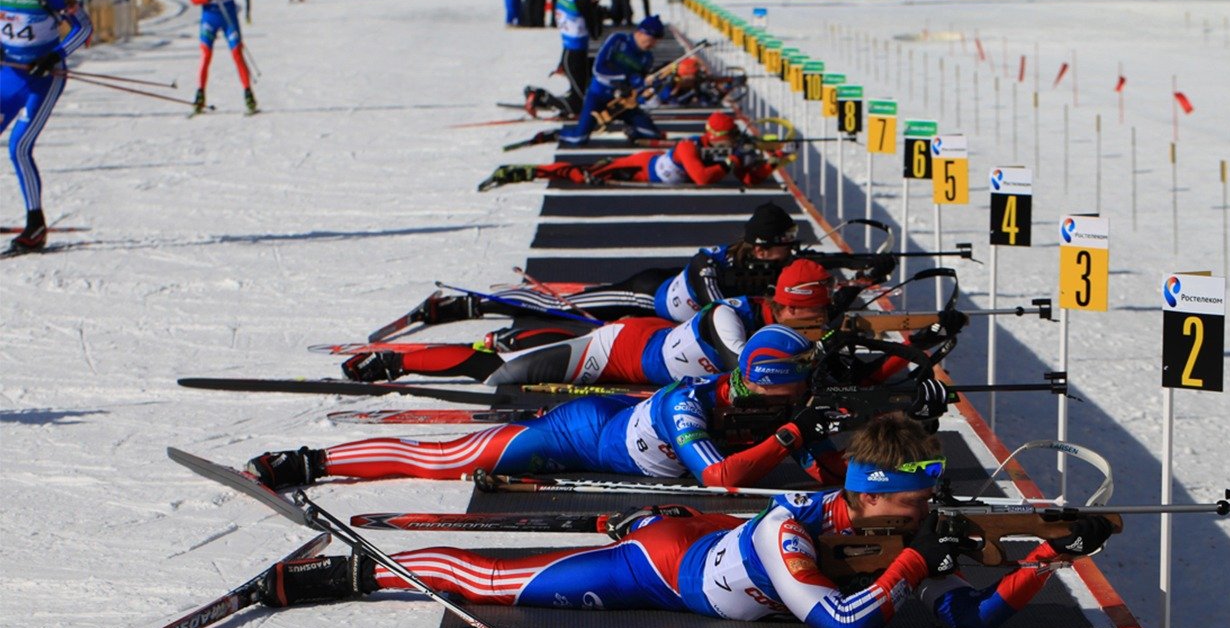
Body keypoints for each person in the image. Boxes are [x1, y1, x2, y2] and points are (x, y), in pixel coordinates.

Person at [250, 414, 1115, 628]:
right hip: (668, 568)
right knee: (501, 581)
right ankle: (354, 574)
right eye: (918, 501)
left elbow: (973, 619)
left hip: (708, 535)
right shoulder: (795, 535)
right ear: (878, 497)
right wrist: (922, 560)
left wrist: (1043, 559)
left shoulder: (890, 536)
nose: (931, 512)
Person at [247, 324, 850, 491]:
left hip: (622, 413)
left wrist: (835, 444)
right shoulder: (691, 406)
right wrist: (796, 435)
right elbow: (719, 477)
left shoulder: (772, 404)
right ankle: (309, 461)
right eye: (802, 382)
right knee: (449, 459)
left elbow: (828, 472)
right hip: (581, 433)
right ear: (773, 383)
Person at [343, 258, 836, 384]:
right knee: (500, 369)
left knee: (551, 330)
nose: (821, 323)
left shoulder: (772, 318)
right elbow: (751, 370)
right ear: (791, 307)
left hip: (644, 342)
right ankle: (394, 363)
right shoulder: (733, 317)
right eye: (817, 315)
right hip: (619, 352)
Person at [418, 201, 813, 326]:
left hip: (662, 306)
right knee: (565, 310)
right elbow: (708, 287)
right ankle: (476, 304)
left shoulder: (760, 262)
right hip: (646, 294)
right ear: (761, 248)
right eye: (785, 246)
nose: (790, 253)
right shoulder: (718, 260)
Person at [0, 0, 93, 253]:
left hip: (44, 79)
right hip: (9, 74)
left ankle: (35, 226)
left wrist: (54, 56)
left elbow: (84, 27)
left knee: (18, 147)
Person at [480, 110, 778, 190]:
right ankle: (522, 172)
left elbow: (749, 180)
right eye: (730, 139)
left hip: (650, 170)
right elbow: (702, 177)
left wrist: (774, 162)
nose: (733, 144)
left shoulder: (725, 152)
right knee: (580, 174)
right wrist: (731, 162)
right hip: (639, 167)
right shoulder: (689, 146)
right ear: (716, 137)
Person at [548, 15, 666, 146]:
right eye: (651, 38)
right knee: (579, 139)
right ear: (640, 32)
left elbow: (639, 87)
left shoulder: (647, 58)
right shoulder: (618, 40)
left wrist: (650, 89)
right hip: (598, 97)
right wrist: (627, 78)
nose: (653, 43)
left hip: (622, 104)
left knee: (652, 134)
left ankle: (630, 130)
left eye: (656, 40)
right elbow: (599, 68)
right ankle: (555, 134)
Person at [190, 0, 256, 115]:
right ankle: (200, 94)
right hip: (210, 16)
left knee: (236, 53)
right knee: (205, 54)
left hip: (228, 16)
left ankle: (248, 93)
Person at [523, 0, 600, 117]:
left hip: (568, 52)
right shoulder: (581, 0)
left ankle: (552, 100)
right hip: (576, 55)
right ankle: (538, 95)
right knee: (578, 105)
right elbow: (596, 33)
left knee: (578, 93)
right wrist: (596, 12)